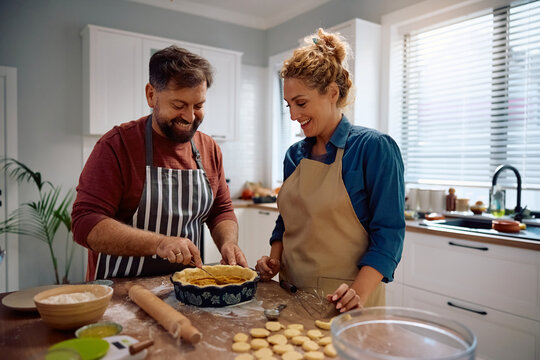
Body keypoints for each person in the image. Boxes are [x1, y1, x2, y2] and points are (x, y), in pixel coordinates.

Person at [256, 29, 405, 313]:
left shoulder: (373, 148)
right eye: (288, 105)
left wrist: (357, 293)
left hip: (346, 303)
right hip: (290, 297)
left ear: (332, 93)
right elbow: (287, 221)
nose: (293, 115)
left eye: (301, 103)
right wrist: (273, 260)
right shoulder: (294, 155)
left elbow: (389, 234)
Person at [72, 46, 247, 281]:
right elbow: (85, 223)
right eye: (178, 105)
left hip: (187, 289)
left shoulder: (209, 149)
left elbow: (221, 211)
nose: (190, 117)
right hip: (121, 291)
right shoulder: (117, 145)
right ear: (151, 95)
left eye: (198, 105)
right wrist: (159, 243)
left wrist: (228, 243)